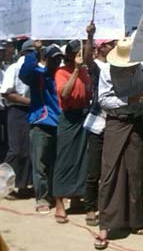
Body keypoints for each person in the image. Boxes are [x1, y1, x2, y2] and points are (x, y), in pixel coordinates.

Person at [95, 37, 143, 250]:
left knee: (135, 172)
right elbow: (103, 99)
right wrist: (128, 100)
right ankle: (106, 225)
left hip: (137, 123)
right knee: (110, 173)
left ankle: (135, 219)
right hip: (116, 123)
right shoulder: (107, 72)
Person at [19, 42, 64, 214]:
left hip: (60, 123)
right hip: (41, 124)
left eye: (59, 58)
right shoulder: (38, 74)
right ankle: (42, 198)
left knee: (57, 163)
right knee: (40, 164)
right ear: (45, 59)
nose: (57, 62)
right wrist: (35, 51)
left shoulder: (62, 75)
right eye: (53, 58)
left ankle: (55, 194)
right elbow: (25, 73)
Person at [52, 38, 92, 223]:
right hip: (68, 119)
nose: (81, 56)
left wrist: (90, 36)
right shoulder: (62, 72)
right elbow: (65, 93)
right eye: (78, 54)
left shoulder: (86, 71)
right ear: (70, 56)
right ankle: (59, 203)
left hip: (83, 116)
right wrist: (76, 71)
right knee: (65, 159)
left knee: (82, 159)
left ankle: (77, 197)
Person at [82, 29, 114, 227]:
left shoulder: (118, 65)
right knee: (94, 170)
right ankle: (90, 207)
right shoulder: (98, 67)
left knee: (110, 170)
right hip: (98, 124)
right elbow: (88, 60)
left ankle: (107, 206)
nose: (114, 46)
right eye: (111, 43)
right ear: (102, 47)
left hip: (115, 124)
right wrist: (90, 37)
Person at [0, 39, 34, 195]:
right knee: (16, 150)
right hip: (16, 111)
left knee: (27, 149)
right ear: (24, 53)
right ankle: (3, 182)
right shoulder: (14, 68)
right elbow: (6, 93)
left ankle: (22, 185)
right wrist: (29, 101)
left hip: (31, 111)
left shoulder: (36, 69)